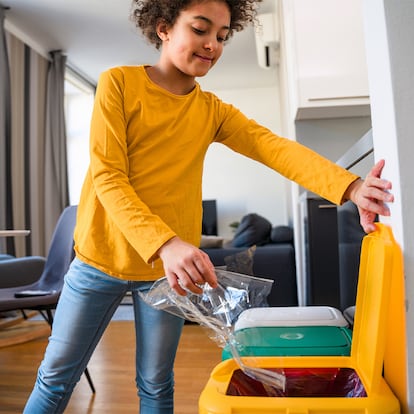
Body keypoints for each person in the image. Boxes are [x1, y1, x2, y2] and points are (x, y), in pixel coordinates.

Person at [24, 0, 394, 412]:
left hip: (165, 276)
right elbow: (109, 177)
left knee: (156, 383)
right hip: (99, 260)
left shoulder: (211, 110)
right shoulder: (119, 84)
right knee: (56, 377)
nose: (213, 45)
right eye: (200, 30)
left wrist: (352, 187)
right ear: (164, 28)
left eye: (221, 36)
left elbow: (274, 149)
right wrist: (167, 244)